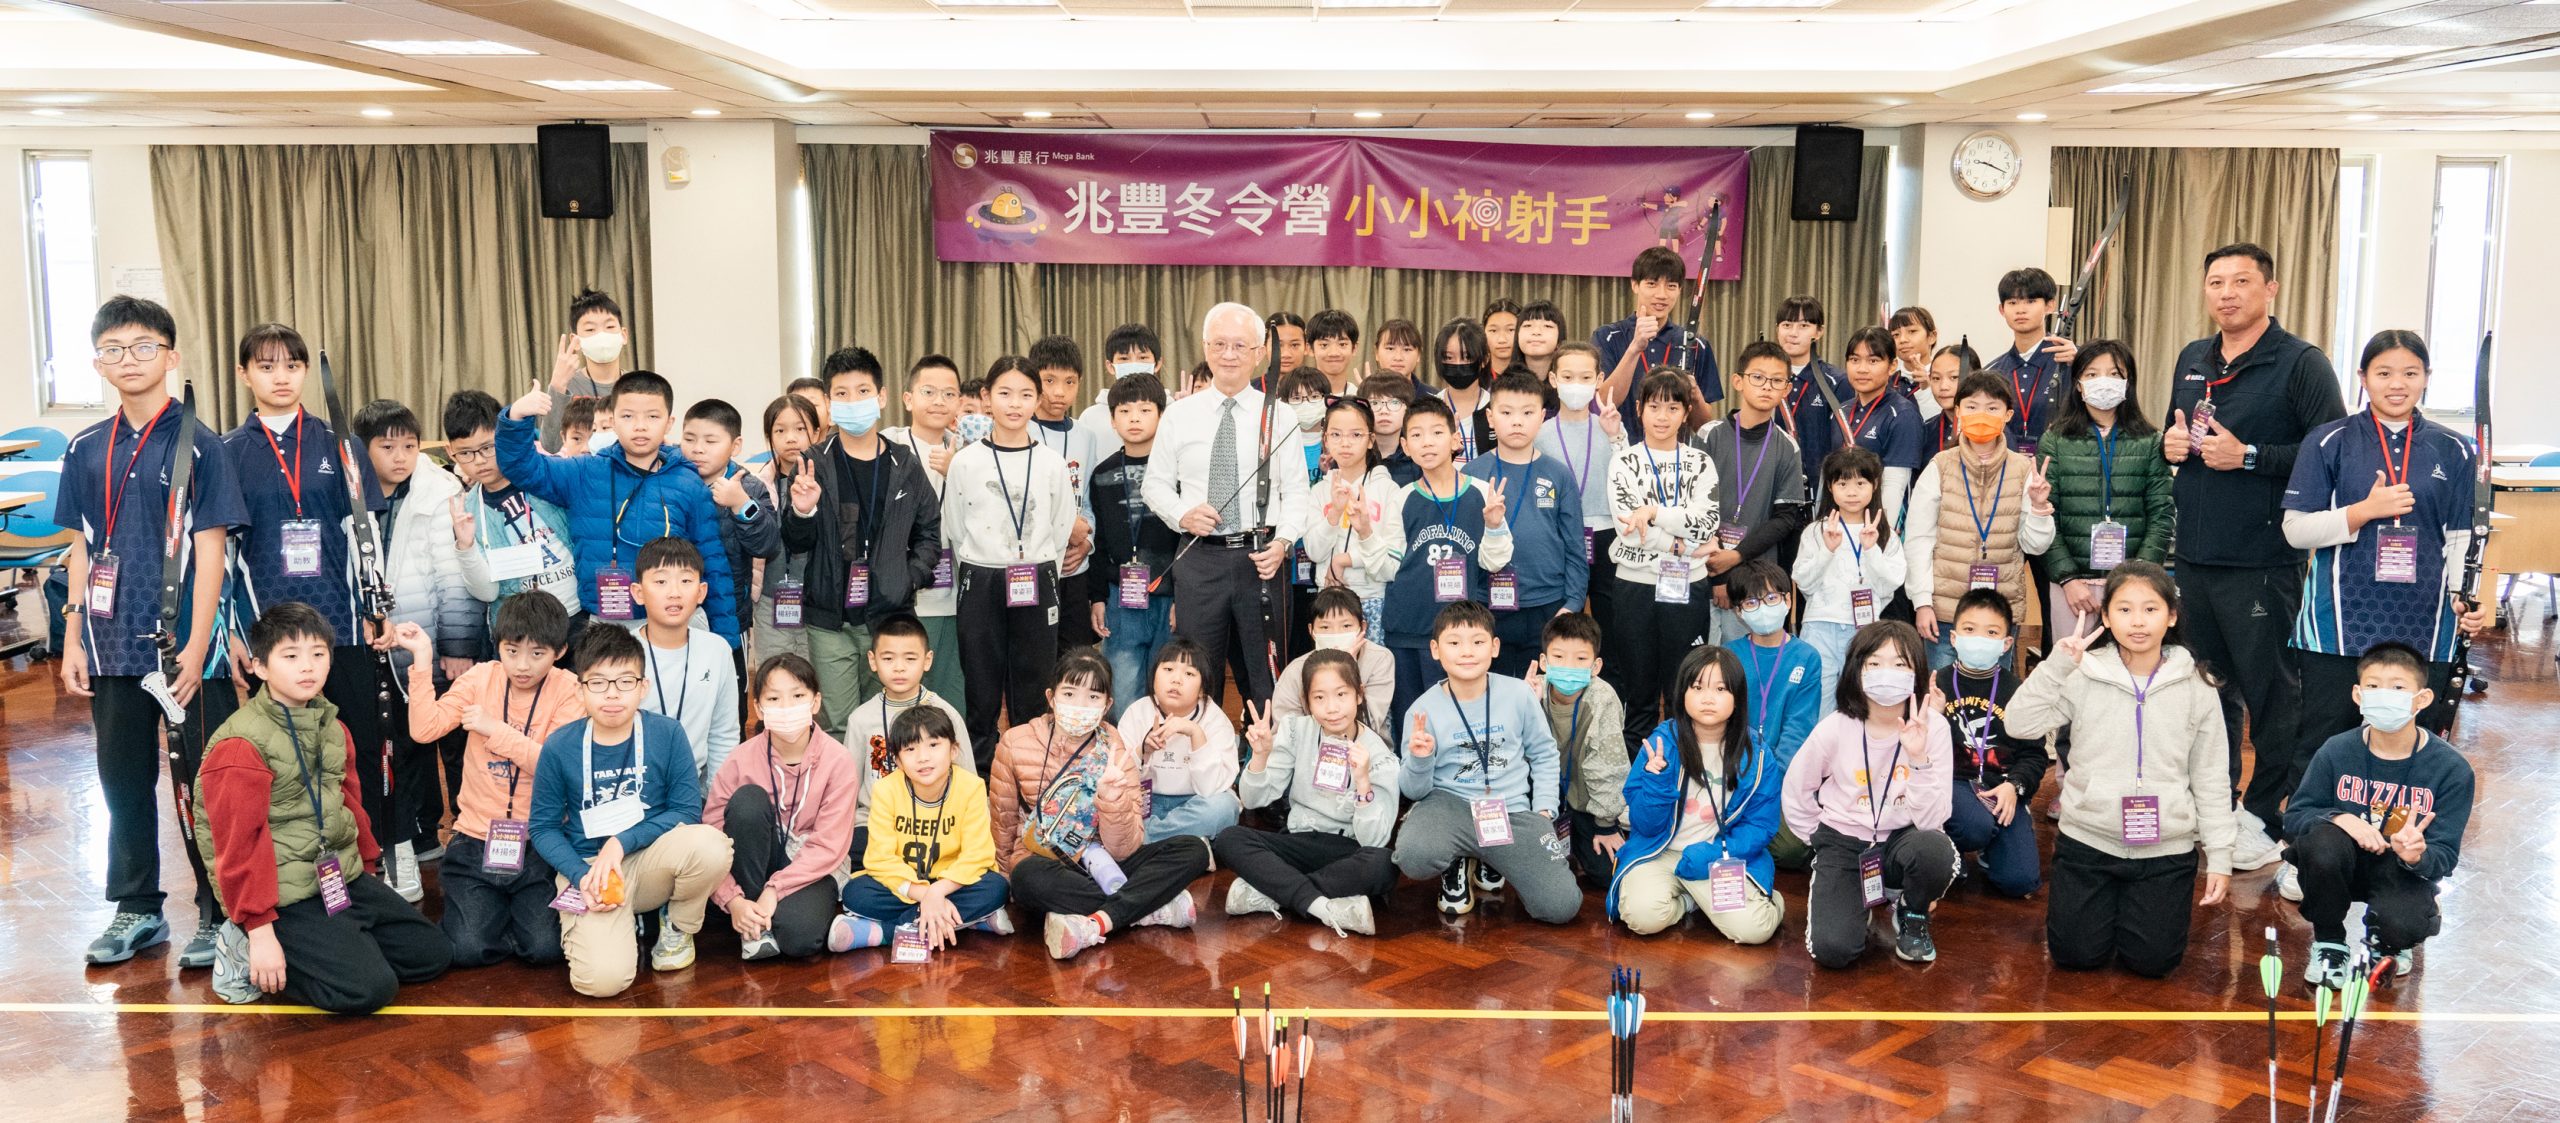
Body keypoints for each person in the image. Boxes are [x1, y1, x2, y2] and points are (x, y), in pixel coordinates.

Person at [58, 295, 248, 967]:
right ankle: (137, 907)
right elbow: (81, 546)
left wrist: (198, 645)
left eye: (143, 346)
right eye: (113, 348)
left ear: (171, 357)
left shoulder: (203, 444)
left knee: (206, 781)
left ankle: (221, 911)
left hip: (188, 648)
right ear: (98, 363)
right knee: (123, 780)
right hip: (112, 641)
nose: (128, 359)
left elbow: (212, 548)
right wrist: (73, 635)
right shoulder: (85, 447)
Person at [2160, 243, 2346, 871]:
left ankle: (2266, 816)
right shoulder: (2193, 357)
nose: (2227, 293)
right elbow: (2181, 435)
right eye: (2216, 282)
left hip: (2263, 560)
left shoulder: (2301, 363)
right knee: (2207, 692)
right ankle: (2217, 805)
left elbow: (2330, 454)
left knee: (2271, 697)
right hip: (2194, 557)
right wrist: (2171, 444)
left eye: (2242, 281)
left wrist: (2248, 457)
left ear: (2271, 289)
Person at [221, 323, 414, 896]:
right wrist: (234, 631)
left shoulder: (342, 445)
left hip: (344, 624)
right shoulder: (227, 452)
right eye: (266, 366)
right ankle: (301, 868)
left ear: (306, 371)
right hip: (271, 631)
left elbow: (366, 533)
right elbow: (223, 553)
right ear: (245, 375)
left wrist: (377, 606)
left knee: (361, 744)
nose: (281, 377)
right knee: (287, 755)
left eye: (292, 365)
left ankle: (381, 855)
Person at [200, 603, 452, 1012]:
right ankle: (243, 945)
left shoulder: (332, 726)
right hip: (280, 894)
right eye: (290, 656)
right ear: (260, 667)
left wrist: (366, 873)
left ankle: (337, 944)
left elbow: (350, 805)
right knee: (368, 990)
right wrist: (259, 929)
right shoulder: (240, 745)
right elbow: (234, 846)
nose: (308, 667)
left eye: (318, 654)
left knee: (431, 955)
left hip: (336, 876)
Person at [2280, 330, 2491, 820]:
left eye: (2410, 373)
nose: (2397, 384)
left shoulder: (2455, 449)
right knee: (2322, 743)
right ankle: (2310, 842)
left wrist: (2465, 599)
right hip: (2338, 626)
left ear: (2427, 378)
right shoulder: (2328, 441)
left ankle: (2399, 847)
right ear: (2362, 378)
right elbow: (2296, 531)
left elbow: (2462, 539)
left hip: (2425, 626)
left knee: (2411, 751)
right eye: (2384, 373)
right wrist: (2364, 511)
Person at [2005, 562, 2234, 978]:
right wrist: (2057, 666)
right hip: (2088, 841)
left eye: (2151, 609)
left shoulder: (2197, 685)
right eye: (2125, 609)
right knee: (2075, 955)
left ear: (2172, 616)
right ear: (2107, 617)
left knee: (2153, 963)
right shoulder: (2081, 673)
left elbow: (2211, 776)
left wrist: (2220, 856)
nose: (2138, 621)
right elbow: (2018, 725)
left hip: (2166, 849)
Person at [529, 623, 734, 998]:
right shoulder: (560, 746)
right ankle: (619, 925)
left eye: (625, 682)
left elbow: (687, 810)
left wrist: (621, 842)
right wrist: (580, 875)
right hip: (590, 868)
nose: (612, 694)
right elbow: (542, 828)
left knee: (711, 845)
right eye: (598, 683)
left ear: (643, 687)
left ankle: (677, 925)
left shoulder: (667, 734)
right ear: (580, 689)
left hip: (652, 859)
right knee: (601, 983)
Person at [399, 592, 584, 967]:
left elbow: (555, 768)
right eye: (512, 651)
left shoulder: (569, 690)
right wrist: (422, 657)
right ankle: (495, 914)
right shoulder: (481, 677)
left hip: (541, 840)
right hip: (475, 838)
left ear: (560, 651)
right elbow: (424, 729)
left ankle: (503, 916)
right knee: (467, 950)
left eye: (537, 653)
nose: (522, 665)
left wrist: (494, 729)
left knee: (545, 949)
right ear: (498, 645)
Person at [988, 650, 1212, 960]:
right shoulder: (1015, 741)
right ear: (1051, 697)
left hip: (1107, 861)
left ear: (1107, 705)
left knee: (1194, 849)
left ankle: (1095, 920)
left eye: (1093, 697)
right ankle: (1147, 907)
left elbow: (1126, 848)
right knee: (1026, 879)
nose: (1080, 705)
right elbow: (1003, 818)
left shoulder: (1115, 747)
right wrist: (1005, 879)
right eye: (1069, 693)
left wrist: (1111, 799)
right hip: (1046, 860)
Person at [1144, 302, 1314, 708]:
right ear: (1205, 348)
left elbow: (1297, 492)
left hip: (1263, 558)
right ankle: (1201, 745)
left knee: (1267, 675)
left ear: (1259, 353)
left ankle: (1265, 746)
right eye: (1219, 344)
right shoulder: (1179, 415)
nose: (1229, 354)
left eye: (1240, 345)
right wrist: (1182, 515)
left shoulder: (1280, 415)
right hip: (1199, 559)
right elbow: (1155, 485)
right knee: (1196, 673)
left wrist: (1283, 542)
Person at [499, 369, 743, 645]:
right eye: (628, 416)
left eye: (652, 417)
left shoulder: (689, 484)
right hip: (607, 624)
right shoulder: (584, 473)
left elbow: (712, 563)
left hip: (676, 622)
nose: (640, 426)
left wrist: (726, 641)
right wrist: (516, 417)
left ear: (669, 423)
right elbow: (522, 468)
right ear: (612, 421)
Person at [2282, 641, 2474, 987]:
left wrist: (2418, 856)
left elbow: (2445, 856)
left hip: (2400, 870)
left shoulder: (2451, 769)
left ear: (2422, 699)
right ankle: (2329, 942)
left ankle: (2387, 938)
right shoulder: (2336, 750)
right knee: (2320, 841)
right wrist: (2340, 818)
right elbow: (2295, 817)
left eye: (2398, 688)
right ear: (2358, 695)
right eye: (2373, 686)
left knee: (2403, 924)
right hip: (2343, 862)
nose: (2384, 695)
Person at [1781, 620, 1956, 967]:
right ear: (1856, 671)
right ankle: (1859, 898)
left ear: (1916, 673)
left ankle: (1911, 911)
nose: (1886, 673)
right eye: (1874, 663)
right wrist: (1817, 838)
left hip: (1904, 836)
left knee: (1935, 851)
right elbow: (1797, 789)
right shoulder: (1835, 726)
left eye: (1900, 663)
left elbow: (1932, 820)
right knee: (1834, 951)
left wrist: (1918, 758)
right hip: (1845, 841)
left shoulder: (1933, 727)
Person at [1394, 601, 1581, 923]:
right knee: (1414, 856)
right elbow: (1413, 790)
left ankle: (1489, 857)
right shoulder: (1422, 711)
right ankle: (1457, 859)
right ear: (1436, 650)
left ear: (1494, 647)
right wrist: (1420, 759)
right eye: (1454, 643)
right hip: (1450, 807)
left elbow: (1544, 753)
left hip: (1511, 810)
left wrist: (1545, 808)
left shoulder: (1519, 695)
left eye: (1478, 642)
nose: (1467, 652)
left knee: (1561, 906)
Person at [788, 347, 944, 729]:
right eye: (842, 394)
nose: (853, 401)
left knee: (891, 721)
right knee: (839, 724)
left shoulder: (905, 464)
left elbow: (929, 532)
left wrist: (908, 578)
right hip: (830, 620)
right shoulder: (812, 463)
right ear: (829, 403)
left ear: (882, 397)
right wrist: (803, 511)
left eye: (863, 391)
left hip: (889, 616)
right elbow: (794, 541)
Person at [947, 357, 1076, 770]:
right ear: (987, 398)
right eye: (1004, 393)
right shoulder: (966, 462)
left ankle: (1029, 775)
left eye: (1025, 394)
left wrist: (1036, 562)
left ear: (1038, 400)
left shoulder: (1052, 463)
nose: (1015, 404)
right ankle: (983, 778)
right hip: (980, 578)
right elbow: (955, 528)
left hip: (1036, 576)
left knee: (1034, 687)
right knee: (981, 687)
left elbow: (1061, 528)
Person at [1609, 645, 1784, 944]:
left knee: (1754, 930)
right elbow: (1644, 826)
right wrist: (1656, 784)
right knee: (1641, 917)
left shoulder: (1757, 755)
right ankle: (1690, 901)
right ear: (1682, 693)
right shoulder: (1661, 744)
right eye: (1697, 687)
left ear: (1738, 697)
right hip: (1660, 852)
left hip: (1718, 856)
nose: (1708, 698)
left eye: (1720, 689)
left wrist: (1716, 854)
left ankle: (1765, 899)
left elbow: (1760, 825)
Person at [1218, 651, 1400, 936]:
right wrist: (1260, 756)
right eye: (1319, 697)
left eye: (1341, 694)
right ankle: (1322, 905)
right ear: (1306, 701)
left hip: (1346, 849)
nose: (1332, 708)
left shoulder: (1380, 756)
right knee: (1230, 837)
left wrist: (1363, 782)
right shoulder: (1296, 730)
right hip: (1299, 840)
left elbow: (1373, 840)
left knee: (1383, 865)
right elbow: (1253, 800)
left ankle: (1274, 892)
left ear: (1359, 694)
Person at [1364, 396, 1514, 731]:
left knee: (1459, 723)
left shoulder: (1482, 493)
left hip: (1461, 635)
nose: (1427, 442)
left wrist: (1493, 526)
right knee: (1411, 722)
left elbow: (1495, 562)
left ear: (1455, 439)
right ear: (1405, 445)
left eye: (1436, 432)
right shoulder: (1402, 497)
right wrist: (1364, 533)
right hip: (1408, 628)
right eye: (1416, 435)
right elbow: (1386, 568)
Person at [705, 653, 862, 960]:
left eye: (798, 696)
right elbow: (712, 834)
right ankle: (753, 922)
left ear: (816, 702)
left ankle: (763, 915)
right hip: (756, 864)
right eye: (774, 698)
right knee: (747, 801)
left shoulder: (838, 760)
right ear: (758, 708)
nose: (787, 707)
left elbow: (829, 845)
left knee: (800, 939)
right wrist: (733, 899)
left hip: (811, 866)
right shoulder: (740, 759)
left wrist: (775, 890)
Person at [1903, 372, 2055, 671]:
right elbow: (1919, 540)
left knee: (1994, 693)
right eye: (1972, 407)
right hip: (1945, 611)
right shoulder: (1940, 467)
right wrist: (1921, 602)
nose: (1981, 415)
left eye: (1992, 408)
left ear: (2008, 415)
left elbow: (2035, 546)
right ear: (1958, 411)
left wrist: (2039, 508)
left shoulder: (2023, 470)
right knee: (1942, 692)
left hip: (1999, 613)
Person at [833, 705, 1014, 955]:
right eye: (910, 749)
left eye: (933, 745)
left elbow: (978, 856)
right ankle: (971, 921)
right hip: (907, 883)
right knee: (856, 893)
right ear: (897, 761)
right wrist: (925, 894)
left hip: (952, 884)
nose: (923, 757)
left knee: (996, 887)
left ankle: (884, 933)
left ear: (953, 750)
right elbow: (880, 859)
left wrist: (938, 891)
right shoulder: (885, 790)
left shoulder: (971, 787)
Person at [1602, 370, 1721, 745]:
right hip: (1635, 587)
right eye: (1654, 406)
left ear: (1686, 413)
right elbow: (1628, 527)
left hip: (1688, 588)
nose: (1663, 416)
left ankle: (1683, 772)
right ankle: (1639, 777)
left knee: (1683, 692)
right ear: (1639, 409)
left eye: (1672, 407)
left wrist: (1653, 512)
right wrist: (1680, 546)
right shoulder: (1624, 461)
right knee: (1639, 695)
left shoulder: (1700, 462)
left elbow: (1707, 522)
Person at [2042, 341, 2175, 646]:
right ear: (2078, 385)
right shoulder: (2055, 440)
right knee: (2073, 666)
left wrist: (2138, 578)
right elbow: (2046, 516)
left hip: (2133, 586)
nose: (2103, 381)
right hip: (2072, 587)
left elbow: (2162, 514)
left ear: (2128, 382)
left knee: (2130, 664)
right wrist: (2067, 578)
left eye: (2114, 374)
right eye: (2092, 374)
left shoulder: (2151, 441)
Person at [1466, 371, 1589, 676]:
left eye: (1527, 413)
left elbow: (1575, 546)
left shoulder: (1558, 474)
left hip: (1548, 605)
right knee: (1493, 692)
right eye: (1507, 413)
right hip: (1487, 605)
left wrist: (1573, 603)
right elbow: (1464, 545)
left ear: (1542, 417)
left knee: (1542, 693)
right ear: (1490, 417)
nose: (1517, 422)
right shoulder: (1471, 474)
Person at [1691, 341, 1810, 644]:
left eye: (1777, 380)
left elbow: (1784, 519)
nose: (1766, 386)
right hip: (1701, 569)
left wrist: (1735, 556)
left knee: (1745, 662)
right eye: (1757, 377)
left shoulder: (1787, 447)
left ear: (1787, 389)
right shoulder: (1709, 435)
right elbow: (1692, 505)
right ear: (1738, 381)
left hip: (1755, 580)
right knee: (1703, 661)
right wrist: (1719, 575)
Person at [1934, 589, 2045, 899]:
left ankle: (1992, 846)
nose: (1979, 639)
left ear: (2006, 643)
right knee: (1974, 825)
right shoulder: (1936, 684)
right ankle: (1949, 847)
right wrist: (1931, 718)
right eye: (1970, 629)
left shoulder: (2018, 691)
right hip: (1953, 784)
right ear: (1954, 637)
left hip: (2001, 788)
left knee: (2020, 881)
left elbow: (2034, 755)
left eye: (1991, 632)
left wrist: (2015, 786)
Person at [445, 389, 581, 634]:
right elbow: (487, 593)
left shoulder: (543, 476)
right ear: (450, 452)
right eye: (465, 453)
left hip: (577, 613)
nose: (479, 460)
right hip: (521, 633)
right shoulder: (468, 511)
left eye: (488, 447)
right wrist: (465, 547)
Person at [1719, 560, 1824, 871]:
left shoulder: (1807, 657)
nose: (1763, 608)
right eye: (1751, 602)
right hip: (1731, 773)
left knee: (1794, 850)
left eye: (1771, 598)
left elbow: (1798, 729)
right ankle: (1742, 839)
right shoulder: (1728, 655)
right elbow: (1720, 723)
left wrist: (1766, 779)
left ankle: (1741, 842)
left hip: (1779, 777)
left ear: (1788, 600)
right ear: (1739, 612)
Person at [1087, 371, 1179, 718]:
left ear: (1161, 415)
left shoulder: (1178, 470)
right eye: (1124, 411)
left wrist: (1184, 596)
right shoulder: (1102, 473)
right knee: (1123, 693)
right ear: (1112, 420)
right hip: (1120, 598)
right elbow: (1097, 542)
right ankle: (1126, 753)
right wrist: (1097, 597)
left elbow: (1189, 537)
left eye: (1144, 410)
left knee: (1169, 693)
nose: (1134, 419)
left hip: (1171, 596)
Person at [840, 614, 976, 846]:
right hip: (875, 822)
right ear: (872, 661)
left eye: (910, 658)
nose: (899, 668)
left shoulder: (946, 714)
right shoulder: (860, 719)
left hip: (935, 823)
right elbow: (847, 788)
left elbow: (968, 780)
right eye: (888, 658)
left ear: (927, 660)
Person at [883, 354, 970, 707]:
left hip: (957, 593)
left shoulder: (971, 453)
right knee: (902, 697)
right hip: (906, 591)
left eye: (949, 394)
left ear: (960, 402)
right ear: (908, 399)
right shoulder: (888, 446)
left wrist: (958, 472)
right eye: (929, 392)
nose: (939, 401)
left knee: (951, 697)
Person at [1795, 447, 1909, 710]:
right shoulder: (1816, 531)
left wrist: (1871, 550)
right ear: (1830, 487)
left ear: (1875, 485)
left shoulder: (1885, 535)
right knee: (1818, 704)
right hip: (1820, 626)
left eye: (1860, 483)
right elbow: (1803, 582)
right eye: (1842, 483)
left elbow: (1890, 585)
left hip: (1865, 630)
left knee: (1861, 703)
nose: (1852, 492)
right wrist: (1827, 551)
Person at [630, 537, 742, 784]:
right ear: (638, 593)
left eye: (686, 581)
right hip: (633, 784)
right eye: (660, 581)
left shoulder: (717, 650)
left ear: (701, 592)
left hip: (694, 785)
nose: (674, 593)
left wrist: (717, 799)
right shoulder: (620, 653)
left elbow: (723, 734)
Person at [1532, 611, 1630, 887]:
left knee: (1606, 873)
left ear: (1595, 666)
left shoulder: (1602, 698)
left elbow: (1608, 766)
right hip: (1539, 801)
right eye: (1559, 657)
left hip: (1586, 801)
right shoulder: (1530, 692)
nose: (1569, 667)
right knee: (1532, 867)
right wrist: (1528, 706)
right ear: (1544, 662)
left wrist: (1605, 825)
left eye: (1580, 659)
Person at [678, 399, 780, 657]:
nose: (697, 449)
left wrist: (741, 504)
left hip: (730, 613)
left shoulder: (749, 487)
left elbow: (767, 545)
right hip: (675, 609)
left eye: (710, 441)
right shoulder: (671, 481)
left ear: (736, 446)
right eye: (689, 439)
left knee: (729, 677)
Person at [1119, 638, 1244, 842]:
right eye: (1168, 669)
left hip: (1194, 803)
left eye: (1189, 674)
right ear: (1154, 676)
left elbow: (1212, 789)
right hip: (1145, 801)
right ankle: (1189, 841)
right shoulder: (1137, 712)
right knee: (1112, 805)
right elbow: (1119, 776)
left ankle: (1145, 839)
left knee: (1225, 807)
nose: (1176, 680)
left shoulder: (1215, 719)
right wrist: (1144, 751)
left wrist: (1196, 734)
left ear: (1202, 689)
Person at [1793, 327, 1927, 517]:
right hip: (1840, 521)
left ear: (1892, 366)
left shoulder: (1903, 414)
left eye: (1873, 361)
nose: (1862, 369)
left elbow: (1895, 485)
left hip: (1878, 523)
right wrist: (1820, 521)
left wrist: (1881, 529)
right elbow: (1828, 474)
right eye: (1855, 360)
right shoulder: (1841, 411)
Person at [1538, 342, 1627, 625]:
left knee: (1610, 620)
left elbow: (1629, 482)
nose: (1576, 384)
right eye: (1567, 377)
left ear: (1599, 380)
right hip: (1557, 534)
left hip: (1606, 534)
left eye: (1585, 377)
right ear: (1553, 379)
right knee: (1562, 618)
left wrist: (1615, 437)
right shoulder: (1539, 433)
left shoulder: (1611, 425)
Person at [1300, 397, 1399, 645]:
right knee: (1330, 668)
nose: (1345, 443)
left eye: (1356, 435)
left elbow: (1391, 563)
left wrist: (1346, 558)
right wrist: (1334, 513)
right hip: (1328, 603)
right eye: (1336, 435)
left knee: (1371, 668)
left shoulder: (1388, 490)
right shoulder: (1318, 491)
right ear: (1325, 440)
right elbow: (1314, 551)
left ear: (1371, 440)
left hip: (1372, 599)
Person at [1028, 335, 1103, 651]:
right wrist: (1064, 527)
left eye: (1069, 382)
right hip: (1033, 566)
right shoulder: (1021, 431)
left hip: (1075, 567)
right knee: (1036, 655)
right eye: (1049, 380)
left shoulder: (1086, 436)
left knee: (1076, 656)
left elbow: (1088, 498)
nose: (1059, 391)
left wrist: (1087, 541)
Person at [1593, 246, 1721, 432]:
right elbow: (1601, 405)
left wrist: (1694, 393)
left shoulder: (1695, 344)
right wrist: (1634, 348)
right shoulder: (1607, 337)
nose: (1662, 295)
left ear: (1680, 290)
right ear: (1635, 285)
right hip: (1619, 446)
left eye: (1671, 286)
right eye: (1652, 284)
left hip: (1675, 449)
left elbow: (1703, 427)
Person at [751, 393, 824, 667]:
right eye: (780, 431)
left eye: (800, 429)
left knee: (815, 681)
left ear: (817, 432)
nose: (790, 438)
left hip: (819, 603)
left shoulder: (830, 482)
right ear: (769, 437)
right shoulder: (756, 485)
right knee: (773, 674)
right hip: (770, 600)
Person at [1979, 268, 2080, 455]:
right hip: (2007, 466)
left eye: (2031, 301)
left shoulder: (2071, 359)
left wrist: (2083, 365)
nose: (2021, 309)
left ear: (2050, 306)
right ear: (2002, 310)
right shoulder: (1993, 371)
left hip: (2062, 464)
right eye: (2012, 302)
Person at [1270, 587, 1396, 726]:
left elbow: (1369, 722)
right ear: (1311, 630)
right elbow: (1286, 729)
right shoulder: (1295, 670)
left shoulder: (1380, 659)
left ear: (1363, 627)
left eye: (1346, 626)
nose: (1336, 633)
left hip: (1364, 739)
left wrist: (1346, 666)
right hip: (1310, 740)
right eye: (1325, 627)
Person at [542, 289, 630, 450]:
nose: (602, 335)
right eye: (590, 330)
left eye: (610, 326)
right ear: (575, 340)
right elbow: (551, 446)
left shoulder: (637, 386)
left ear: (623, 335)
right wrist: (558, 385)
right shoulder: (567, 386)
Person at [1075, 322, 1164, 455]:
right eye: (1124, 358)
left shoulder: (1173, 411)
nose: (1134, 364)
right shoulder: (1090, 418)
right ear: (1110, 366)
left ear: (1157, 364)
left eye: (1142, 357)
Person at [1773, 297, 1851, 437]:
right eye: (1787, 325)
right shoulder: (1764, 378)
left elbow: (1844, 438)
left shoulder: (1837, 381)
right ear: (1777, 329)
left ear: (1819, 331)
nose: (1793, 333)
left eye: (1803, 326)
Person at [1430, 317, 1498, 465]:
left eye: (1467, 357)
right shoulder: (1429, 409)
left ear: (1484, 359)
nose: (1458, 364)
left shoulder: (1497, 408)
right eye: (1449, 357)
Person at [1922, 342, 1979, 455]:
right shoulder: (1925, 431)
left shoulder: (1992, 429)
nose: (1943, 387)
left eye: (1954, 377)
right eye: (1936, 378)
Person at [1305, 309, 1362, 396]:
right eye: (1324, 345)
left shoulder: (1361, 397)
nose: (1334, 353)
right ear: (1310, 349)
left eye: (1342, 344)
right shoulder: (1297, 398)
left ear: (1354, 348)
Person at [1888, 306, 1938, 398]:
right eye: (1896, 334)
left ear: (1931, 337)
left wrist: (1927, 388)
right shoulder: (1887, 382)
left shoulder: (1946, 378)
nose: (1902, 340)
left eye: (1912, 331)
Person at [1514, 300, 1566, 382]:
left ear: (1560, 336)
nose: (1536, 332)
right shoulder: (1504, 384)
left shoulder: (1568, 384)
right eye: (1528, 325)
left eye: (1547, 326)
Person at [1482, 297, 1522, 377]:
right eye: (1493, 330)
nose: (1502, 339)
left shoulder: (1534, 377)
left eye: (1511, 330)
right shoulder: (1475, 379)